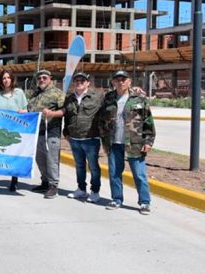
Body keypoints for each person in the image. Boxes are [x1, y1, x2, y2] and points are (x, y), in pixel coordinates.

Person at [99, 70, 155, 215]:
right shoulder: (108, 98)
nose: (120, 82)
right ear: (113, 82)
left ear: (129, 81)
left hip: (134, 142)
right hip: (114, 142)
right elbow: (102, 120)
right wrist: (103, 138)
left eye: (123, 79)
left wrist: (148, 141)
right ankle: (116, 199)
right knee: (114, 173)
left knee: (139, 174)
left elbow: (148, 120)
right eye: (117, 79)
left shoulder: (139, 98)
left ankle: (144, 202)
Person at [44, 72, 103, 202]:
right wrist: (65, 131)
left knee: (93, 167)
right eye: (76, 80)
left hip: (91, 138)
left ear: (88, 83)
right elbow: (67, 115)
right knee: (79, 166)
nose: (79, 82)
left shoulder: (97, 96)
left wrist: (134, 91)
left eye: (82, 80)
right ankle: (81, 189)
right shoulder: (69, 98)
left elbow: (114, 98)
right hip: (74, 139)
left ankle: (95, 191)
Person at [29, 70, 65, 199]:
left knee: (52, 159)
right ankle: (45, 182)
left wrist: (52, 113)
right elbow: (30, 109)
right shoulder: (35, 94)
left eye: (44, 77)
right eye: (39, 78)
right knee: (40, 159)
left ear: (50, 78)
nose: (41, 80)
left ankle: (53, 186)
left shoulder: (58, 93)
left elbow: (64, 109)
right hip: (38, 131)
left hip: (51, 131)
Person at [0, 69, 28, 192]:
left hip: (14, 130)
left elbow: (25, 109)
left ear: (12, 79)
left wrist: (24, 112)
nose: (6, 80)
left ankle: (14, 180)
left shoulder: (19, 93)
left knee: (14, 154)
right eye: (3, 78)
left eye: (8, 77)